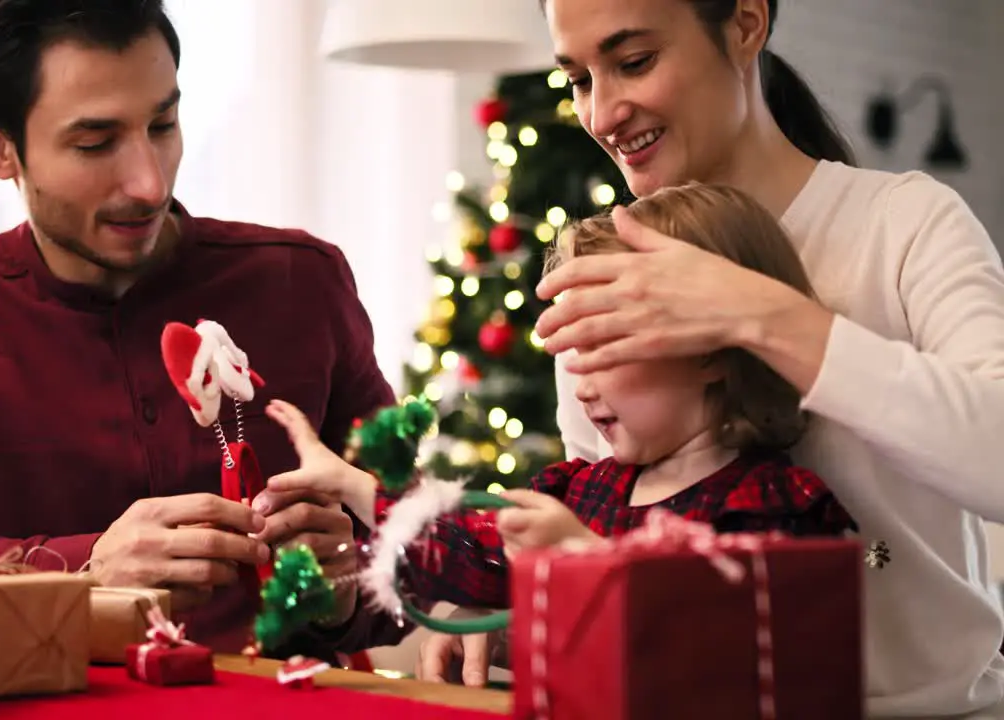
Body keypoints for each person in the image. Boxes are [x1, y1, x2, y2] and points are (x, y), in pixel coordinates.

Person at [424, 0, 1004, 716]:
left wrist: (752, 310)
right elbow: (618, 549)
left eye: (633, 62)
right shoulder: (604, 272)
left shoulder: (908, 225)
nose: (601, 115)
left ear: (746, 24)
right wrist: (509, 616)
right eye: (577, 80)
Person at [0, 0, 400, 659]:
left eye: (163, 123)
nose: (148, 182)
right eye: (95, 143)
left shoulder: (303, 283)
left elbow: (418, 555)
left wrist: (346, 584)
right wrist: (78, 571)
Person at [260, 182, 855, 612]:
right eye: (573, 350)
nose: (581, 382)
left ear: (710, 349)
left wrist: (586, 558)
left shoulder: (773, 508)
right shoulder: (584, 490)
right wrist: (347, 481)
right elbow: (467, 552)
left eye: (605, 344)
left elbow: (726, 651)